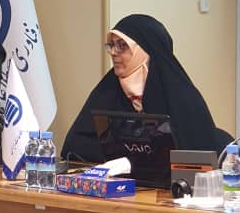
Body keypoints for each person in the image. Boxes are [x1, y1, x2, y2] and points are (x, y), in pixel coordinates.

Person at [61, 13, 231, 162]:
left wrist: (127, 154)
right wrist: (130, 158)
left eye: (122, 45)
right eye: (111, 45)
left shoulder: (181, 95)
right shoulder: (108, 89)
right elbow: (73, 144)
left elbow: (195, 153)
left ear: (144, 51)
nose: (113, 52)